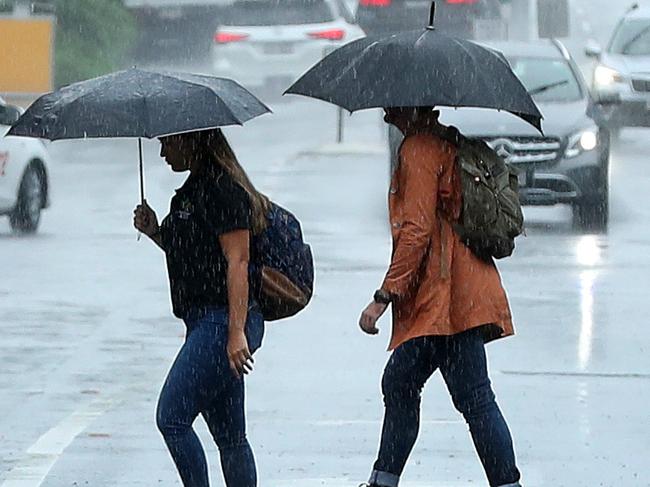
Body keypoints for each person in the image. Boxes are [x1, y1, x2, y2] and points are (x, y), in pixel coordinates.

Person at [358, 107, 523, 487]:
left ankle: (506, 483)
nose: (385, 115)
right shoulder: (447, 140)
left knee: (473, 397)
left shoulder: (418, 149)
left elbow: (416, 230)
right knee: (404, 383)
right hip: (458, 293)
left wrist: (384, 295)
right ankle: (384, 478)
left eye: (391, 106)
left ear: (411, 107)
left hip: (446, 298)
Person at [133, 128, 269, 487]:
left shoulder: (222, 190)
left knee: (172, 417)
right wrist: (155, 232)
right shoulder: (189, 194)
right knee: (230, 437)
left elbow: (237, 261)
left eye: (166, 142)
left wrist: (236, 331)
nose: (162, 153)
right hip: (203, 323)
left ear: (190, 140)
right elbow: (194, 259)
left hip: (223, 322)